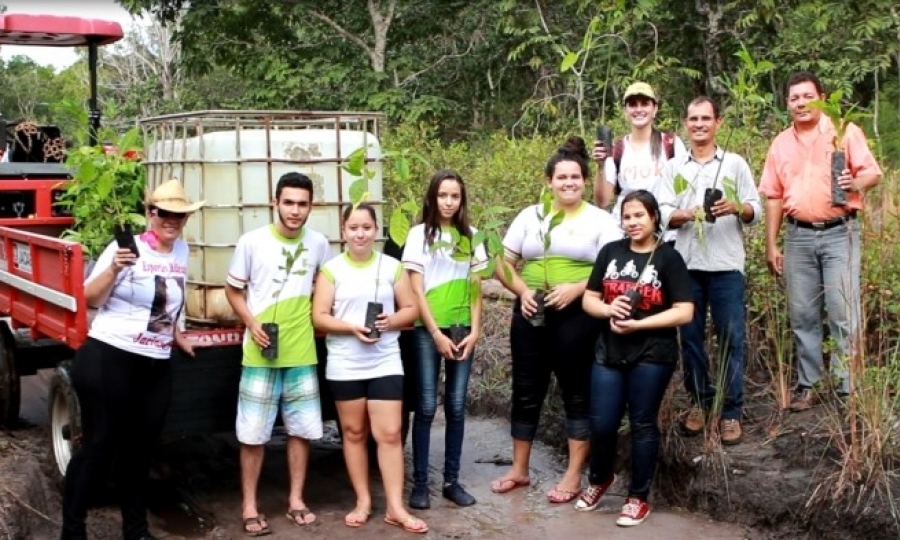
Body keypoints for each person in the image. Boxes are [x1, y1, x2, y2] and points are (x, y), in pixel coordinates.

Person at [61, 179, 202, 540]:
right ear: (150, 214)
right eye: (164, 213)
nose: (171, 220)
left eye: (179, 215)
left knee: (140, 453)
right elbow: (89, 299)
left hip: (154, 363)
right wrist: (114, 270)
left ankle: (135, 531)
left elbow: (165, 302)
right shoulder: (126, 249)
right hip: (110, 357)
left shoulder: (182, 251)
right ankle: (72, 531)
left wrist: (176, 334)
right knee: (98, 446)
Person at [490, 136, 620, 503]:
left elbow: (612, 269)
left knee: (576, 391)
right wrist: (523, 292)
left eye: (575, 177)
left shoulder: (600, 220)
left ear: (583, 180)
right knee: (526, 388)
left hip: (577, 315)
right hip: (531, 311)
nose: (568, 183)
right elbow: (504, 262)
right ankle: (519, 469)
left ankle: (574, 474)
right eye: (561, 177)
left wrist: (578, 288)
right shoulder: (531, 216)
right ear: (548, 181)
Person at [759, 71, 881, 411]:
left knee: (843, 311)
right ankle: (809, 385)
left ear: (821, 97)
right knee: (803, 314)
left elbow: (873, 173)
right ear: (787, 103)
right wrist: (772, 244)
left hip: (840, 232)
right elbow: (772, 195)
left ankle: (848, 388)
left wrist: (855, 183)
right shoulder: (780, 143)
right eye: (794, 98)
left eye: (806, 96)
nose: (800, 103)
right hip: (797, 236)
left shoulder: (844, 132)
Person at [224, 172, 330, 536]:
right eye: (288, 202)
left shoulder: (318, 244)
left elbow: (323, 287)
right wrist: (252, 323)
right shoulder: (252, 242)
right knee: (253, 434)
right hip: (261, 351)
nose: (295, 211)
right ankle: (249, 505)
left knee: (300, 431)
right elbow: (233, 290)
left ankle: (296, 499)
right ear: (275, 203)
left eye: (302, 204)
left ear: (310, 207)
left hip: (302, 352)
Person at [580, 189, 694, 527]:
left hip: (652, 353)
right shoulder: (610, 252)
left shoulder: (668, 258)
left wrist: (641, 323)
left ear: (654, 217)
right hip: (609, 350)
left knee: (643, 423)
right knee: (602, 423)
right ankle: (601, 479)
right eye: (627, 216)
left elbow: (685, 311)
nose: (632, 222)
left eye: (639, 215)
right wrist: (607, 308)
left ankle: (637, 498)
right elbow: (589, 298)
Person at [312, 204, 428, 534]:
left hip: (385, 360)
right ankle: (363, 501)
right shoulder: (331, 270)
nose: (360, 234)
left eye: (366, 227)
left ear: (376, 230)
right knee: (353, 433)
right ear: (343, 231)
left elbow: (412, 308)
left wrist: (390, 320)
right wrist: (350, 328)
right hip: (345, 364)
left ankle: (395, 506)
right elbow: (318, 316)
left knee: (389, 434)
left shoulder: (391, 267)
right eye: (353, 228)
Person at [657, 97, 762, 444]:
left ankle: (730, 411)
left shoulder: (734, 164)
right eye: (693, 119)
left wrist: (737, 207)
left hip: (726, 265)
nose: (699, 124)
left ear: (718, 122)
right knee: (690, 340)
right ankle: (699, 403)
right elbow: (660, 212)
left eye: (706, 118)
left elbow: (756, 209)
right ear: (685, 124)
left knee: (732, 338)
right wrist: (687, 214)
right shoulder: (674, 167)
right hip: (686, 267)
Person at [402, 170, 487, 510]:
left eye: (455, 196)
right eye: (443, 195)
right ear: (432, 197)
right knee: (425, 406)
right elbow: (416, 289)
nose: (449, 202)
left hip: (463, 328)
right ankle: (420, 483)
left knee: (455, 405)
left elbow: (476, 289)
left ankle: (451, 481)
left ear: (462, 199)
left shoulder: (474, 237)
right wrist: (434, 331)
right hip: (428, 330)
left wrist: (476, 331)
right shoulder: (419, 234)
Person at [592, 81, 687, 242]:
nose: (639, 109)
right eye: (633, 105)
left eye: (645, 104)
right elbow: (603, 201)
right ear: (625, 111)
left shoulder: (671, 144)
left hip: (665, 235)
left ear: (655, 109)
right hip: (626, 235)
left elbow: (684, 192)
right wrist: (600, 166)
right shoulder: (617, 149)